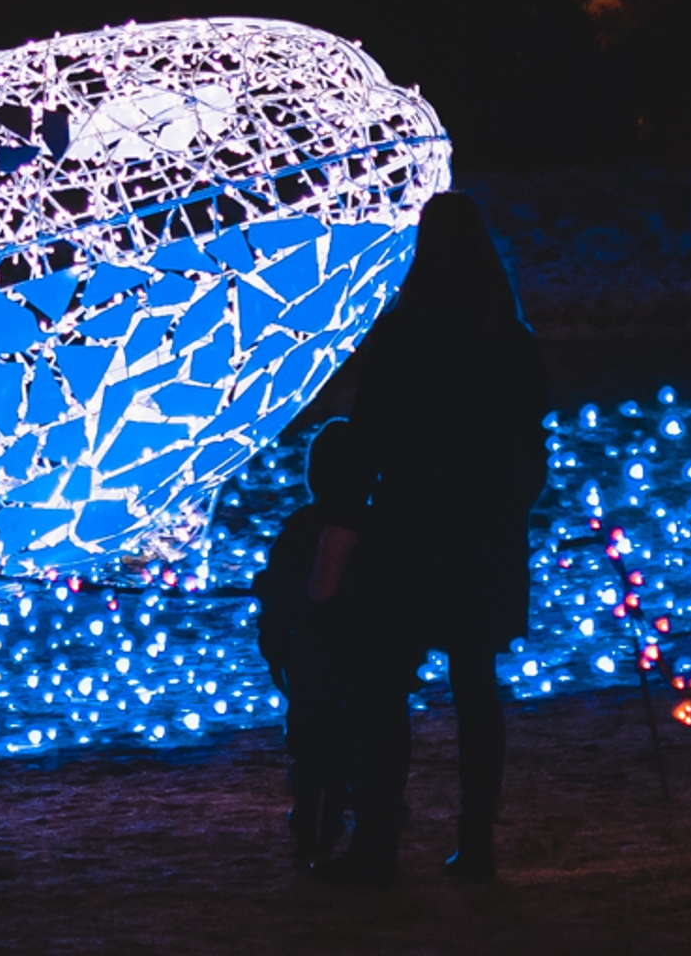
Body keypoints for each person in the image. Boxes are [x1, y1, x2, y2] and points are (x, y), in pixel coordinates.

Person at [312, 190, 554, 886]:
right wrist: (507, 514)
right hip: (482, 537)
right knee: (474, 683)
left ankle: (379, 838)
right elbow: (530, 451)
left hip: (411, 529)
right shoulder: (506, 343)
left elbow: (368, 438)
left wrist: (343, 513)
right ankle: (475, 840)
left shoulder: (404, 338)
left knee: (385, 683)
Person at [252, 418, 368, 869]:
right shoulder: (366, 524)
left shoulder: (303, 525)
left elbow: (294, 590)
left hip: (311, 654)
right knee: (342, 745)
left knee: (310, 745)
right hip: (347, 655)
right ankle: (330, 821)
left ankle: (312, 824)